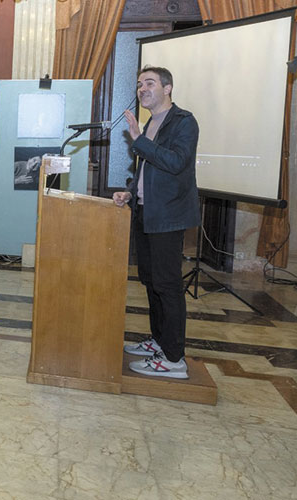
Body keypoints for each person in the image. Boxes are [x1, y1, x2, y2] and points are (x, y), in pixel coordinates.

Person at [114, 66, 199, 380]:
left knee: (168, 286)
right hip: (146, 213)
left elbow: (176, 163)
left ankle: (174, 358)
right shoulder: (151, 122)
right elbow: (148, 170)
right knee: (151, 283)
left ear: (168, 88)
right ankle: (159, 341)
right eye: (139, 84)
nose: (142, 89)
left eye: (149, 83)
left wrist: (139, 139)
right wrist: (130, 191)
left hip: (168, 216)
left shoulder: (184, 121)